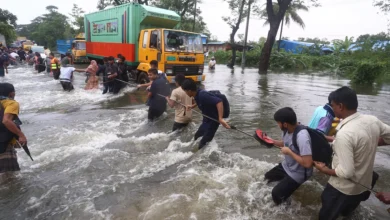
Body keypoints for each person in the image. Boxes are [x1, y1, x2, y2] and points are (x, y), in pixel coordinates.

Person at [313, 86, 390, 220]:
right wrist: (370, 141)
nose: (332, 108)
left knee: (326, 216)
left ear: (341, 106)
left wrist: (324, 169)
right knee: (347, 213)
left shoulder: (345, 134)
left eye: (333, 105)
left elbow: (346, 172)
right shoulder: (372, 120)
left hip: (341, 189)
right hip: (363, 186)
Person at [264, 107, 313, 205]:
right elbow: (285, 143)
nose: (277, 125)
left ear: (285, 124)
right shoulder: (287, 130)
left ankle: (286, 209)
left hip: (299, 173)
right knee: (267, 178)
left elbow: (308, 163)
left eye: (278, 123)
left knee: (276, 194)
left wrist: (290, 152)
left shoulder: (302, 137)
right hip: (287, 166)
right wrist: (271, 141)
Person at [181, 79, 230, 150]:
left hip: (213, 119)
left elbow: (219, 102)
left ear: (189, 90)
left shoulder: (202, 95)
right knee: (197, 136)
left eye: (185, 91)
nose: (185, 93)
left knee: (203, 144)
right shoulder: (196, 94)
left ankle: (206, 155)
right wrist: (192, 106)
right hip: (207, 118)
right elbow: (202, 101)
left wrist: (220, 118)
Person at [0, 83, 28, 175]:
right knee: (9, 176)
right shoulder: (11, 103)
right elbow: (6, 121)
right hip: (4, 143)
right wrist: (21, 135)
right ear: (11, 94)